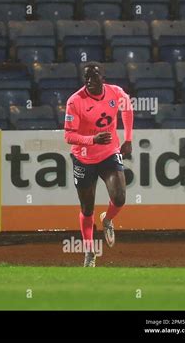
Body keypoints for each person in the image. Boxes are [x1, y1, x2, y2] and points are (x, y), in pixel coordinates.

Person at [64, 62, 133, 267]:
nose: (89, 81)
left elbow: (127, 108)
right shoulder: (75, 101)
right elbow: (68, 135)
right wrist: (92, 140)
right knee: (87, 208)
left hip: (109, 153)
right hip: (83, 158)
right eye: (85, 77)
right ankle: (89, 252)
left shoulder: (115, 92)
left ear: (103, 77)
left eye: (93, 77)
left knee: (119, 197)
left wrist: (128, 139)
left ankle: (108, 220)